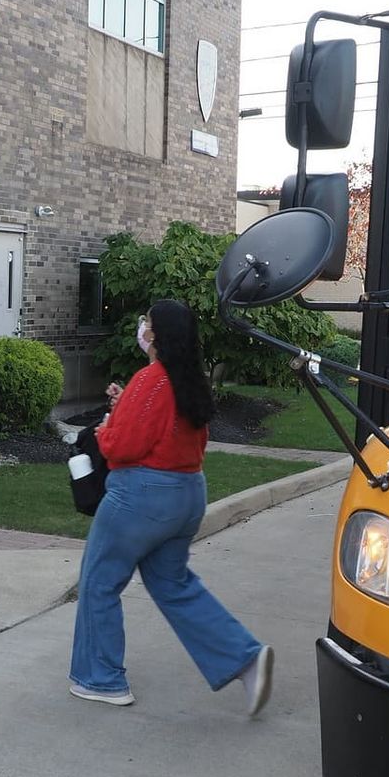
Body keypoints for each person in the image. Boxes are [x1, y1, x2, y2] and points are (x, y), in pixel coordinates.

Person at [68, 298, 273, 714]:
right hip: (186, 494)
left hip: (141, 497)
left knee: (99, 582)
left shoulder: (153, 379)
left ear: (157, 335)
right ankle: (244, 659)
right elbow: (166, 428)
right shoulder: (187, 381)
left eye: (146, 322)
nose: (141, 328)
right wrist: (125, 403)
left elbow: (123, 445)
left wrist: (107, 428)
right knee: (173, 585)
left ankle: (102, 679)